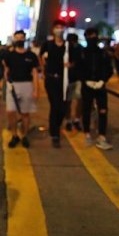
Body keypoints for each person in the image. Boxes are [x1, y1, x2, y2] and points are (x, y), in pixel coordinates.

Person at [3, 31, 39, 148]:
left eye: (21, 38)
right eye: (17, 38)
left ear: (25, 39)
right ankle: (14, 135)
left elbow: (34, 73)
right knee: (10, 112)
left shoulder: (31, 56)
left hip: (27, 85)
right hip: (12, 86)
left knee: (25, 113)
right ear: (14, 39)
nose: (19, 40)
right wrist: (7, 84)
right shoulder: (9, 55)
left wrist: (36, 90)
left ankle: (24, 136)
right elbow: (6, 70)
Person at [80, 28, 114, 150]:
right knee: (86, 110)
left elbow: (109, 70)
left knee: (103, 110)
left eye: (94, 35)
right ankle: (87, 134)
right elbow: (78, 69)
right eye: (89, 36)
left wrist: (102, 81)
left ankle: (102, 136)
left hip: (100, 86)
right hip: (87, 86)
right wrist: (86, 80)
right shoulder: (82, 53)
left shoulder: (103, 53)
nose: (92, 38)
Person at [40, 20, 68, 148]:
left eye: (61, 27)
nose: (59, 29)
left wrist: (70, 65)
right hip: (51, 79)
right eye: (57, 27)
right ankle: (55, 134)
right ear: (53, 30)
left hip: (65, 80)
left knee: (63, 107)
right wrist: (44, 71)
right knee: (55, 105)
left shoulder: (67, 45)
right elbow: (40, 58)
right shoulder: (48, 44)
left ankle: (56, 127)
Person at [64, 33, 83, 131]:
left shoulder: (78, 48)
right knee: (73, 100)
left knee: (73, 100)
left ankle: (72, 120)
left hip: (73, 78)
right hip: (71, 79)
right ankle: (73, 120)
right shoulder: (66, 48)